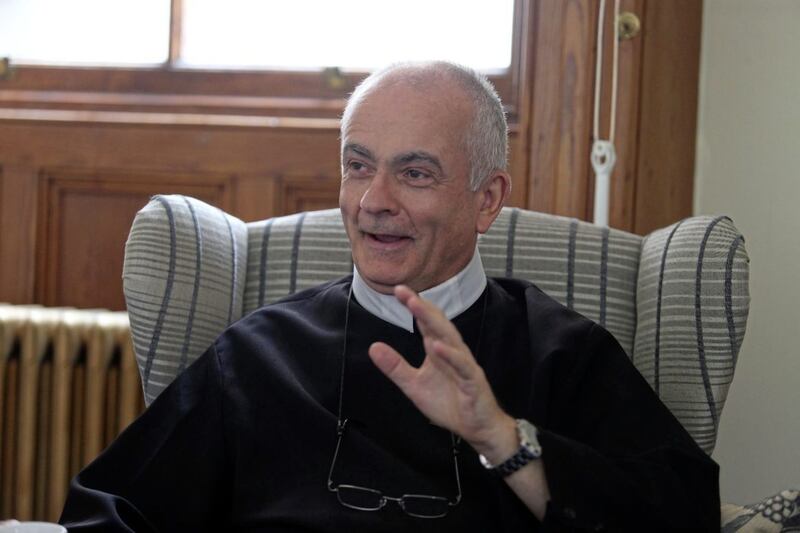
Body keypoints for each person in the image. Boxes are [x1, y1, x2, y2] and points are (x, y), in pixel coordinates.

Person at [59, 61, 720, 531]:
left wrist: (500, 433)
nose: (374, 202)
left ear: (486, 199)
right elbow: (109, 506)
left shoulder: (563, 354)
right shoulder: (261, 353)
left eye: (414, 172)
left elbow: (681, 512)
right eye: (358, 165)